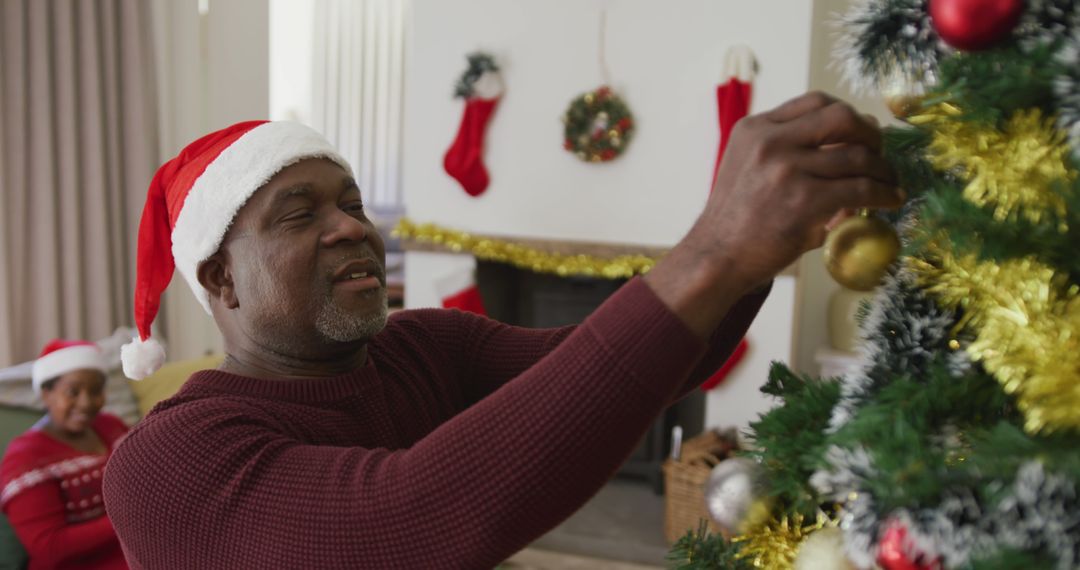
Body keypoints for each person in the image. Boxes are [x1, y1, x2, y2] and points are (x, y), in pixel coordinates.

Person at [103, 91, 902, 569]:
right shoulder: (169, 461)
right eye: (301, 215)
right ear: (219, 280)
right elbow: (405, 524)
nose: (351, 228)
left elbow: (643, 366)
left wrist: (763, 244)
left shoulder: (422, 347)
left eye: (350, 203)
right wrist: (715, 249)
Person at [0, 340, 129, 569]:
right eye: (73, 391)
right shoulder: (25, 458)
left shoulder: (112, 426)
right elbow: (50, 548)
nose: (86, 402)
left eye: (96, 390)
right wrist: (134, 516)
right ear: (46, 393)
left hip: (136, 553)